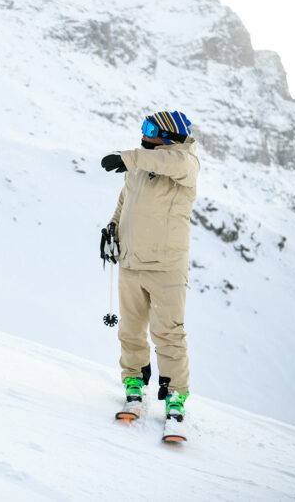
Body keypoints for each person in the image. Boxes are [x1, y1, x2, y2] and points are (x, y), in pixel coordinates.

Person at [100, 110, 199, 424]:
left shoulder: (185, 164)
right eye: (143, 125)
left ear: (169, 136)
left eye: (150, 128)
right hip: (130, 263)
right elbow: (124, 201)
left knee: (168, 334)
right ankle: (133, 382)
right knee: (130, 331)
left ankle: (175, 397)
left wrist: (130, 157)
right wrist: (111, 229)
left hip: (166, 267)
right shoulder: (139, 165)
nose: (143, 132)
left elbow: (170, 163)